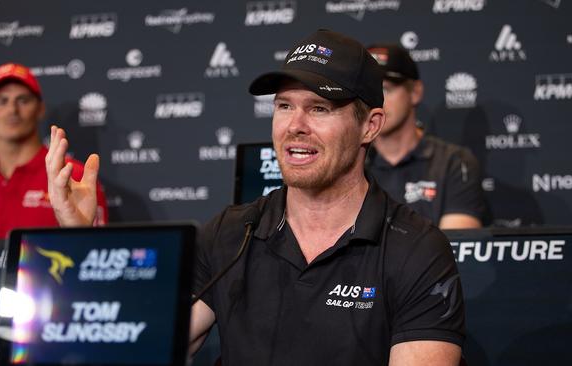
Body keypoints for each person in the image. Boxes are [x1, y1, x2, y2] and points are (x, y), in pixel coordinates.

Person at [46, 30, 464, 365]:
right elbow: (143, 347)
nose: (294, 126)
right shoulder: (232, 232)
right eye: (284, 106)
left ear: (370, 126)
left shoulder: (415, 249)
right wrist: (82, 240)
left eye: (319, 108)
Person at [0, 63, 108, 240]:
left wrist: (78, 231)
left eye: (23, 100)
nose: (12, 110)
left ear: (40, 109)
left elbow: (94, 258)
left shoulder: (74, 176)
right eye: (1, 100)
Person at [366, 44, 488, 229]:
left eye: (385, 89)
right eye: (367, 91)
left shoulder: (454, 163)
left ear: (415, 92)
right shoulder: (349, 164)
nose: (376, 101)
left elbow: (456, 248)